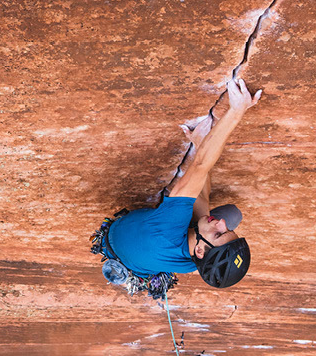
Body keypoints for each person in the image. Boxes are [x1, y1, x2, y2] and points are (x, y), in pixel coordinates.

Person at [93, 75, 261, 295]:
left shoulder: (167, 230)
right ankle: (200, 147)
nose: (221, 223)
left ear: (200, 251)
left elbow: (200, 166)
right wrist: (201, 144)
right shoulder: (195, 262)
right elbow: (202, 198)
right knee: (231, 213)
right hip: (141, 257)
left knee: (197, 192)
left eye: (219, 234)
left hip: (132, 238)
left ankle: (196, 155)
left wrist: (236, 111)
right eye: (227, 230)